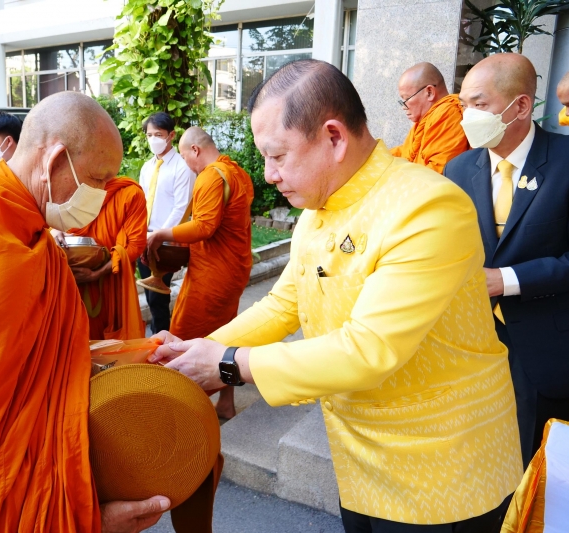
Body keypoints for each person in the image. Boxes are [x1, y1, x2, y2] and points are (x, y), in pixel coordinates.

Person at [151, 59, 522, 532]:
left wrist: (228, 364)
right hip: (358, 457)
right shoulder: (319, 208)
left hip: (441, 462)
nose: (269, 174)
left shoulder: (427, 206)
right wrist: (198, 350)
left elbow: (369, 348)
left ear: (333, 137)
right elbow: (285, 303)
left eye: (277, 156)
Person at [0, 91, 170, 533]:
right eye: (97, 179)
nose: (102, 196)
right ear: (54, 160)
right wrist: (85, 522)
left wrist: (141, 351)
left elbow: (45, 358)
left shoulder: (27, 230)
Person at [444, 53, 569, 467]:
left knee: (531, 463)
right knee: (477, 456)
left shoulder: (565, 162)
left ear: (521, 106)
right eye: (463, 104)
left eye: (479, 104)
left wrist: (507, 279)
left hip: (544, 345)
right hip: (473, 345)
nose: (467, 116)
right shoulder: (458, 169)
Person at [146, 127, 253, 420]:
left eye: (184, 156)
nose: (186, 164)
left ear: (195, 150)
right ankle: (226, 402)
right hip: (233, 269)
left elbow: (205, 226)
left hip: (212, 275)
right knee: (226, 334)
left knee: (186, 334)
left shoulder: (211, 175)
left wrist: (161, 234)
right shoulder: (237, 173)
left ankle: (182, 407)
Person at [54, 176, 148, 340]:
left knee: (110, 345)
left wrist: (97, 274)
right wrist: (54, 230)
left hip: (110, 284)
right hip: (69, 285)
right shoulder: (63, 187)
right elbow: (42, 224)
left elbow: (133, 247)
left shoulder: (130, 193)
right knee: (72, 340)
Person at [138, 112, 195, 334]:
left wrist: (159, 236)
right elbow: (142, 201)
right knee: (150, 295)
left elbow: (181, 207)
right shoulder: (147, 167)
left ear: (171, 135)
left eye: (158, 134)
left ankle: (161, 340)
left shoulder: (182, 167)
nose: (153, 139)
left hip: (167, 242)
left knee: (158, 296)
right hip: (144, 238)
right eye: (149, 135)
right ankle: (159, 336)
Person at [390, 62, 470, 173]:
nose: (404, 107)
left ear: (429, 92)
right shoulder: (426, 119)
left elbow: (437, 171)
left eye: (406, 99)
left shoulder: (447, 113)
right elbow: (405, 151)